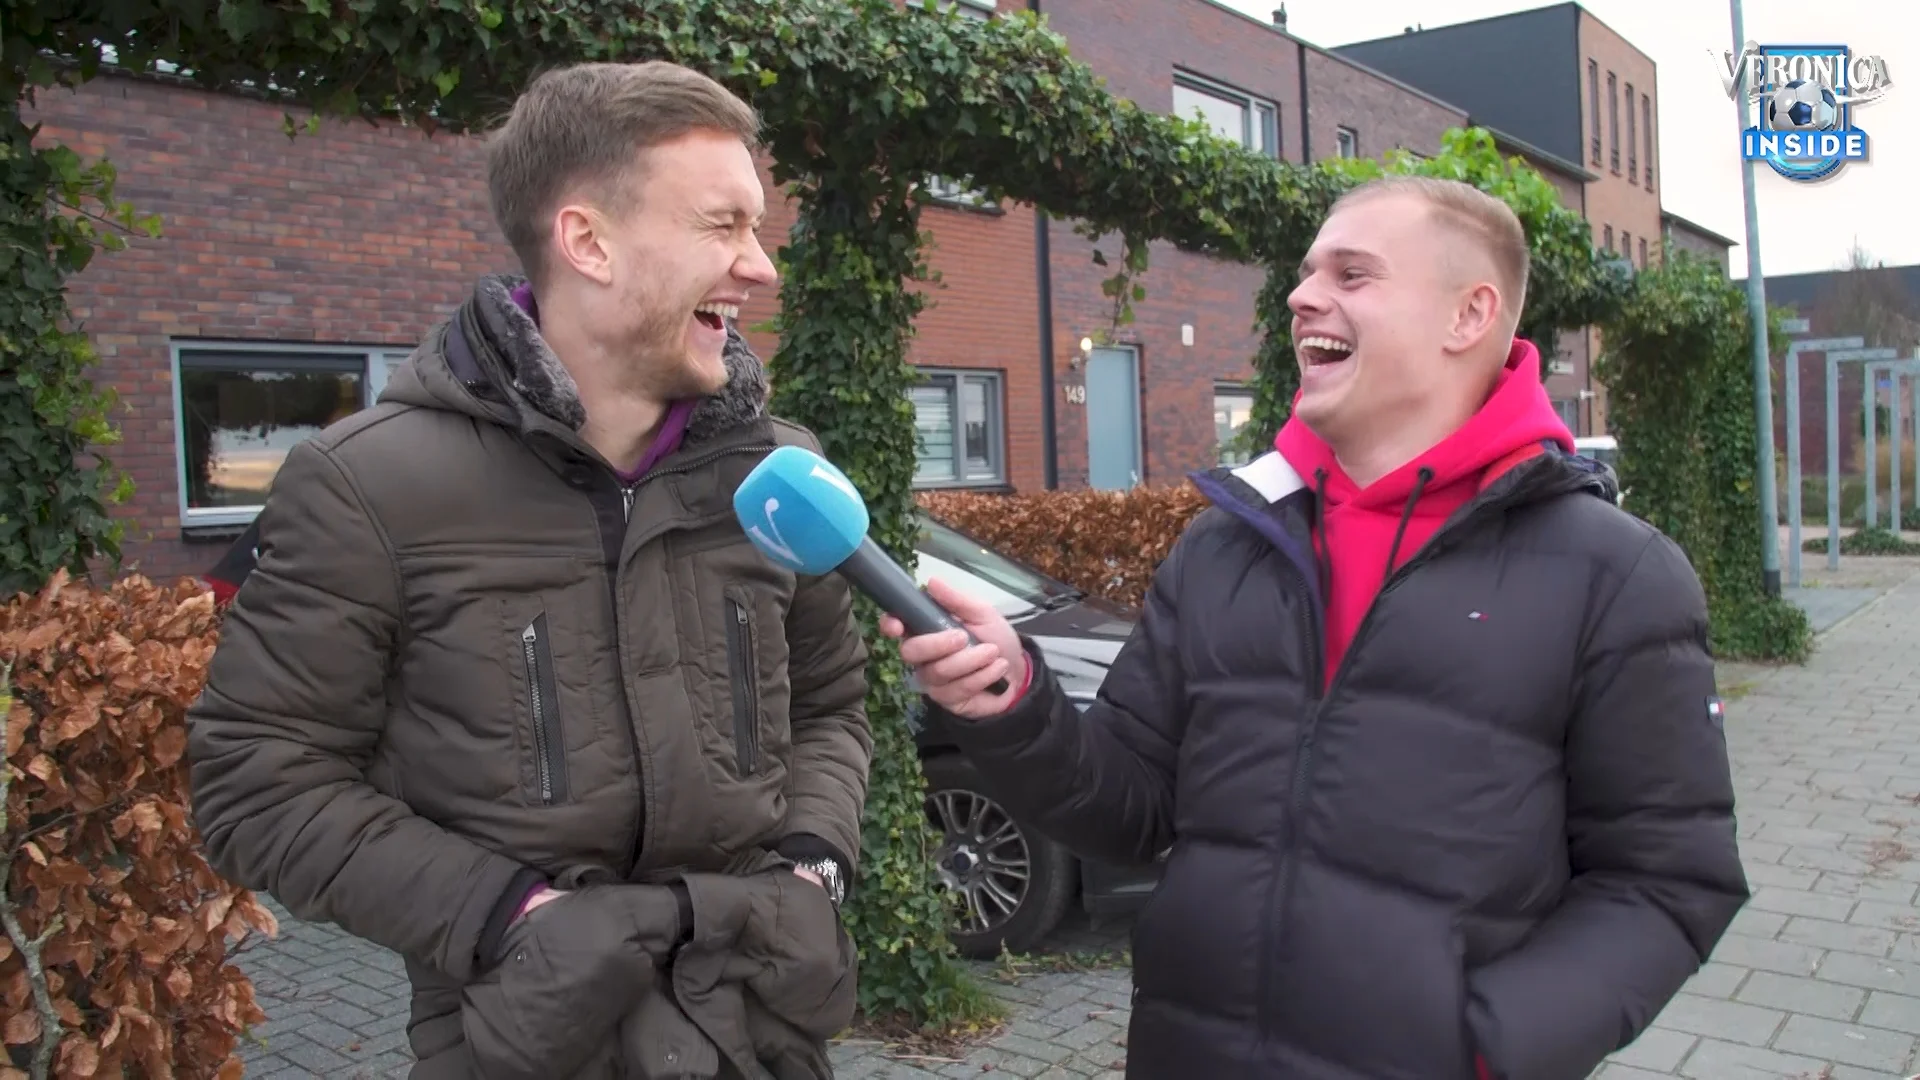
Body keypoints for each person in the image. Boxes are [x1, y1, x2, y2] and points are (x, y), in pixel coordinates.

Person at [885, 176, 1749, 1080]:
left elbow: (1665, 880)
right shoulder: (1224, 548)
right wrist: (1014, 701)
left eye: (1352, 273)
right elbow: (1130, 811)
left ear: (1468, 315)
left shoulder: (1616, 576)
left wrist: (1487, 1048)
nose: (1302, 296)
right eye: (1306, 272)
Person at [187, 61, 873, 1079]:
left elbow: (830, 704)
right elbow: (257, 779)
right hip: (519, 1040)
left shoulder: (778, 475)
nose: (760, 266)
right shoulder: (369, 484)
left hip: (760, 1030)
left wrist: (814, 867)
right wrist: (509, 915)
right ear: (587, 242)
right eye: (723, 226)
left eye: (757, 228)